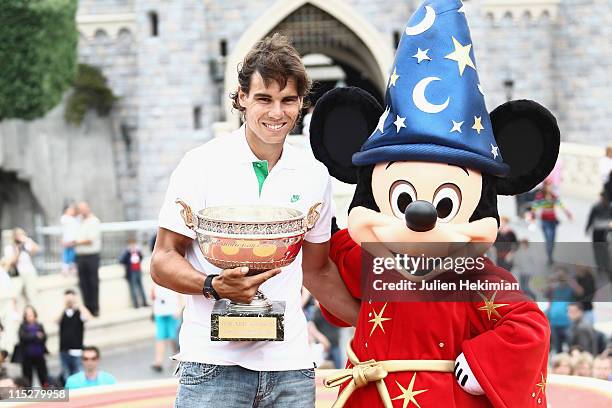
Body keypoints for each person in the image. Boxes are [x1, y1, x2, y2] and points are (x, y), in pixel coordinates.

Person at [151, 33, 358, 407]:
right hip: (212, 365)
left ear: (300, 104)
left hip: (291, 366)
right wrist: (214, 285)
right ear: (242, 98)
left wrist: (378, 323)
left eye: (288, 100)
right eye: (264, 99)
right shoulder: (200, 164)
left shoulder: (315, 175)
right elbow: (163, 260)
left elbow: (318, 271)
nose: (276, 113)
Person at [531, 180, 572, 264]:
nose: (550, 187)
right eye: (548, 186)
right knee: (549, 240)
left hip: (553, 221)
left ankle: (550, 255)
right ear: (545, 186)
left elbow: (561, 205)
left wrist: (568, 213)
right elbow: (535, 206)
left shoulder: (553, 196)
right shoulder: (540, 196)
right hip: (545, 221)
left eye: (551, 186)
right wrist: (533, 216)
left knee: (552, 240)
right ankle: (549, 257)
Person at [57, 289, 92, 384]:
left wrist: (78, 304)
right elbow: (56, 320)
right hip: (64, 350)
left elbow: (88, 317)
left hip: (77, 350)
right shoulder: (63, 313)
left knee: (79, 374)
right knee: (66, 376)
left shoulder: (79, 312)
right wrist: (64, 306)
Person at [74, 202, 102, 316]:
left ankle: (94, 308)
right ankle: (87, 308)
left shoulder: (94, 221)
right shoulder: (79, 221)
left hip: (91, 256)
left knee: (93, 282)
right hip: (80, 257)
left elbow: (90, 240)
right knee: (83, 283)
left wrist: (76, 242)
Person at [3, 228, 39, 304]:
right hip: (17, 275)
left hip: (29, 272)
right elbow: (12, 262)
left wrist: (28, 240)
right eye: (18, 235)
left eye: (22, 234)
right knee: (15, 297)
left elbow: (36, 249)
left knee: (31, 295)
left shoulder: (26, 245)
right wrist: (17, 250)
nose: (20, 236)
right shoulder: (9, 248)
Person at [151, 283, 181, 372]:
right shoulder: (156, 278)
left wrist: (179, 308)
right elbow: (153, 296)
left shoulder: (171, 275)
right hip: (160, 312)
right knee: (160, 337)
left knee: (174, 338)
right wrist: (152, 310)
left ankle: (176, 360)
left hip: (172, 311)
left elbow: (180, 293)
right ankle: (158, 362)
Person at [17, 305, 48, 387]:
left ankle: (47, 392)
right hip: (27, 357)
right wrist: (35, 336)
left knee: (43, 376)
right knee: (27, 378)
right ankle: (28, 394)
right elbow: (23, 337)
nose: (30, 317)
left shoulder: (39, 325)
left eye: (31, 315)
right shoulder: (22, 326)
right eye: (27, 315)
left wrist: (39, 336)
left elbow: (44, 337)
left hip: (39, 355)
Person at [585, 192, 612, 281]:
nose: (602, 200)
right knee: (596, 248)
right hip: (596, 231)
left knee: (604, 249)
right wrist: (587, 228)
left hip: (605, 231)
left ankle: (606, 265)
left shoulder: (610, 208)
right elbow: (590, 218)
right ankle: (599, 265)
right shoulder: (596, 207)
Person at [119, 239, 148, 308]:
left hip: (138, 271)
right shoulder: (127, 253)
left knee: (141, 287)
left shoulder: (137, 251)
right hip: (131, 272)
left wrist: (139, 252)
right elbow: (121, 261)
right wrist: (128, 253)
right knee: (133, 289)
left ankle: (144, 302)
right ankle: (135, 304)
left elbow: (141, 258)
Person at [60, 204, 79, 276]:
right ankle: (66, 269)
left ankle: (72, 268)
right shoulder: (65, 218)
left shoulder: (74, 219)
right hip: (68, 239)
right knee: (67, 255)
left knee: (72, 254)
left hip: (73, 240)